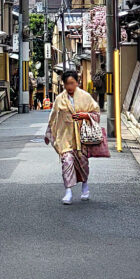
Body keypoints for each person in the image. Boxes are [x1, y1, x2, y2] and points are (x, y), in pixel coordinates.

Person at [45, 69, 100, 204]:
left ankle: (85, 186)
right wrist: (48, 133)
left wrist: (85, 115)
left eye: (72, 83)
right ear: (63, 84)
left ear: (77, 82)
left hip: (82, 137)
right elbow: (53, 117)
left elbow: (96, 113)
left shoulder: (86, 97)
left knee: (83, 163)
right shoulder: (59, 99)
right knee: (67, 161)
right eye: (67, 84)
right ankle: (68, 191)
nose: (70, 86)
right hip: (65, 136)